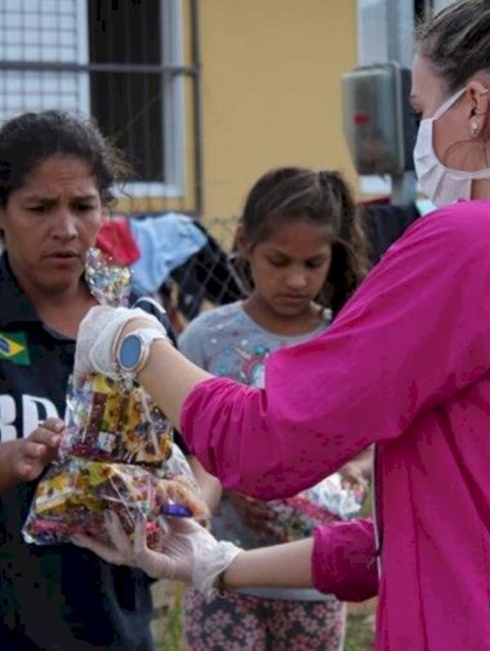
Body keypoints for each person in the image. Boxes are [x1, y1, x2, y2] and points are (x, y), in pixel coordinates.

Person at [69, 0, 490, 649]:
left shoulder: (478, 245)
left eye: (423, 110)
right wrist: (221, 565)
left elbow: (269, 440)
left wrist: (135, 342)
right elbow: (435, 532)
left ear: (475, 107)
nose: (419, 133)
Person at [0, 110, 159, 649]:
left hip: (111, 625)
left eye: (82, 206)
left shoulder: (135, 323)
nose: (66, 229)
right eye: (40, 208)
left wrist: (188, 508)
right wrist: (15, 458)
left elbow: (193, 451)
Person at [177, 166, 369, 650]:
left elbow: (372, 442)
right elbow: (190, 450)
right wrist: (218, 492)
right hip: (222, 578)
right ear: (244, 242)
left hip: (315, 583)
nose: (296, 280)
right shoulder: (206, 339)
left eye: (313, 263)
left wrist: (353, 472)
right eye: (278, 261)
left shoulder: (347, 338)